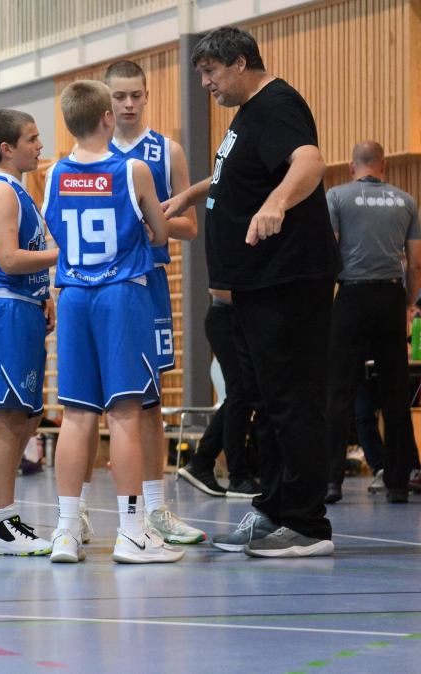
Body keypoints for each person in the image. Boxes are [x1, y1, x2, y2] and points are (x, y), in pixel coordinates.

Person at [165, 26, 340, 557]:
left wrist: (276, 204)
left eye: (211, 72)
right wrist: (192, 195)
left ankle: (307, 525)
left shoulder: (277, 104)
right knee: (271, 401)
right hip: (258, 285)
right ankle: (275, 508)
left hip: (287, 280)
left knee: (294, 401)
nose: (206, 84)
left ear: (240, 62)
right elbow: (238, 178)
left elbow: (309, 161)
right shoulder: (248, 114)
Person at [43, 80, 180, 564]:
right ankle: (131, 531)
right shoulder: (133, 168)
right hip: (120, 295)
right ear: (107, 117)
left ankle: (65, 530)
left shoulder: (55, 173)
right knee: (124, 413)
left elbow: (53, 228)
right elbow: (159, 232)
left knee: (77, 415)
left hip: (74, 296)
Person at [103, 60, 207, 544]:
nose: (128, 104)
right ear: (105, 99)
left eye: (135, 95)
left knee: (149, 399)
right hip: (99, 288)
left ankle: (156, 508)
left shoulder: (167, 151)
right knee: (88, 404)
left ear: (147, 95)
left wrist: (153, 228)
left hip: (148, 285)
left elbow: (189, 226)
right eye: (119, 96)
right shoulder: (91, 151)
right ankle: (77, 513)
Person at [0, 109, 58, 556]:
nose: (40, 146)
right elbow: (8, 259)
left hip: (23, 307)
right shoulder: (2, 192)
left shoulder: (19, 190)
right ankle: (0, 519)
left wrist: (45, 292)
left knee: (28, 415)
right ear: (7, 148)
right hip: (3, 309)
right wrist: (64, 254)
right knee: (7, 419)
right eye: (32, 138)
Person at [323, 140, 420, 504]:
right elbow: (415, 262)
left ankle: (330, 482)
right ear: (383, 166)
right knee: (395, 394)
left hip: (351, 296)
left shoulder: (337, 197)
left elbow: (330, 252)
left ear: (352, 167)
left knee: (339, 392)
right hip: (390, 296)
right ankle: (398, 484)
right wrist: (408, 302)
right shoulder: (406, 201)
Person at [177, 289, 260, 498]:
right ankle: (237, 476)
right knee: (240, 394)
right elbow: (217, 289)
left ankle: (201, 463)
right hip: (226, 318)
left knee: (243, 395)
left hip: (239, 318)